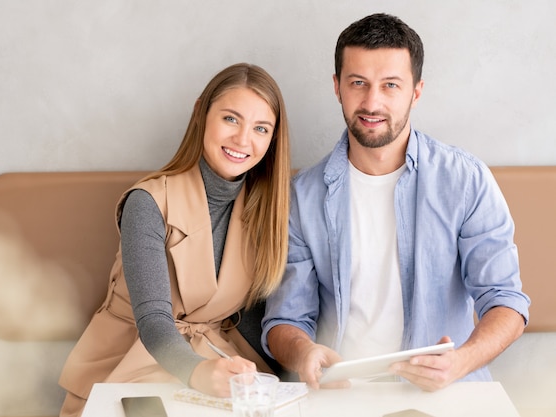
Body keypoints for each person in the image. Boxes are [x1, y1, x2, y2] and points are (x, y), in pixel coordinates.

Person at [261, 13, 530, 392]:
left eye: (390, 85)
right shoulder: (301, 197)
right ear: (337, 87)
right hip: (341, 395)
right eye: (359, 83)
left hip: (448, 392)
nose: (372, 102)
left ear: (415, 92)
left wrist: (460, 362)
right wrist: (303, 352)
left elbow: (506, 301)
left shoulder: (465, 180)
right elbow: (285, 320)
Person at [58, 62, 291, 416]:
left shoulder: (263, 211)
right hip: (130, 362)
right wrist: (197, 372)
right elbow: (153, 320)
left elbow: (249, 319)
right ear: (201, 112)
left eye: (261, 128)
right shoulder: (147, 202)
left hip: (217, 357)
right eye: (231, 119)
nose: (243, 140)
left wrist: (301, 367)